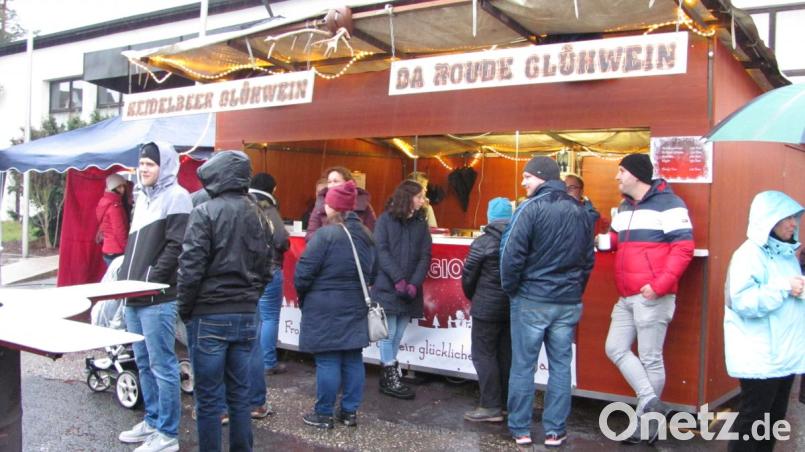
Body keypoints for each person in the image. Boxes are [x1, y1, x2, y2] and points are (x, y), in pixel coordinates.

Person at [177, 151, 274, 451]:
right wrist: (249, 299)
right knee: (239, 395)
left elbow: (190, 267)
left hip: (209, 315)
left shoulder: (204, 212)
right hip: (245, 313)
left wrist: (185, 308)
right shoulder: (259, 212)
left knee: (208, 399)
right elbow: (266, 266)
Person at [499, 156, 594, 448]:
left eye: (527, 177)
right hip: (566, 302)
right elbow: (588, 260)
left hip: (531, 299)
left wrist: (512, 290)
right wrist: (575, 290)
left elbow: (509, 256)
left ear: (541, 177)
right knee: (561, 366)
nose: (523, 182)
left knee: (523, 366)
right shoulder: (581, 212)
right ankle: (555, 431)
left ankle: (520, 429)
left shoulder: (529, 209)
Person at [602, 153, 694, 445]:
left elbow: (684, 249)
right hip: (627, 295)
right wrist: (586, 233)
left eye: (621, 172)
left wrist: (659, 286)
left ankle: (647, 426)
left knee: (650, 358)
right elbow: (613, 241)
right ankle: (650, 401)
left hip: (652, 295)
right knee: (614, 347)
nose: (617, 177)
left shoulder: (671, 204)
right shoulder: (624, 207)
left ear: (636, 175)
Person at [117, 142, 191, 452]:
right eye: (141, 163)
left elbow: (176, 247)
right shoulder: (142, 198)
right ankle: (153, 421)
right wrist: (123, 279)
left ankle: (168, 434)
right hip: (133, 295)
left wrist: (150, 279)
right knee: (144, 363)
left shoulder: (178, 196)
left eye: (150, 163)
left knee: (162, 365)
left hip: (157, 298)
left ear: (166, 165)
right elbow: (134, 248)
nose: (144, 168)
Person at [723, 191, 804, 452]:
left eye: (795, 218)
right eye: (787, 218)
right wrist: (783, 287)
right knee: (752, 422)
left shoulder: (787, 254)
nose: (794, 223)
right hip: (760, 356)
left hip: (784, 355)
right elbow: (742, 300)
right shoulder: (749, 255)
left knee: (772, 422)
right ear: (768, 220)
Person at [294, 180, 376, 429]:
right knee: (353, 358)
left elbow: (302, 274)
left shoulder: (325, 235)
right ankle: (349, 413)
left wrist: (305, 297)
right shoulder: (365, 235)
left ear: (333, 207)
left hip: (325, 307)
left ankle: (323, 413)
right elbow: (373, 272)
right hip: (355, 305)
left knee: (328, 360)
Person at [371, 180, 432, 400]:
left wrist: (414, 283)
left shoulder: (420, 223)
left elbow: (426, 255)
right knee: (388, 334)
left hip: (410, 289)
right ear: (408, 197)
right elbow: (381, 250)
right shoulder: (385, 220)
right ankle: (389, 373)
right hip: (388, 286)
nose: (422, 200)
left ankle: (389, 374)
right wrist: (398, 279)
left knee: (398, 334)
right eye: (419, 196)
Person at [461, 197, 513, 423]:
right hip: (511, 307)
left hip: (486, 307)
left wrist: (475, 296)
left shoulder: (482, 243)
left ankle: (490, 406)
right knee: (505, 354)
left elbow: (468, 277)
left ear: (489, 217)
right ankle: (504, 404)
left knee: (484, 355)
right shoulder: (518, 239)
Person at [305, 166, 377, 239]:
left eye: (336, 181)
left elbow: (372, 235)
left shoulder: (363, 205)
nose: (331, 185)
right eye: (329, 182)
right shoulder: (320, 205)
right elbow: (310, 235)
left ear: (347, 184)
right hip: (326, 249)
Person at [96, 173, 130, 266]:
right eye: (119, 187)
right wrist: (128, 250)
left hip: (108, 249)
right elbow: (119, 232)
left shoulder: (104, 202)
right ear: (113, 188)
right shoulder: (115, 207)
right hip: (117, 250)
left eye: (123, 186)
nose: (122, 190)